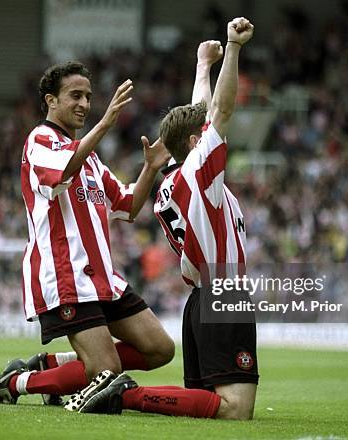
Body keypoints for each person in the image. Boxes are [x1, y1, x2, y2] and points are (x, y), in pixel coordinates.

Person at [68, 17, 258, 420]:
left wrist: (201, 65)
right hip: (223, 295)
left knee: (209, 409)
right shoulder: (200, 172)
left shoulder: (172, 180)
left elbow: (199, 113)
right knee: (235, 410)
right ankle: (124, 394)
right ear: (195, 144)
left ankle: (121, 393)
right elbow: (218, 110)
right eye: (203, 133)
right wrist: (233, 47)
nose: (210, 131)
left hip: (199, 301)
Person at [0, 61, 174, 404]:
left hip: (102, 279)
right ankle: (16, 384)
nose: (84, 103)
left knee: (160, 349)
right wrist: (104, 125)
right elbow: (63, 168)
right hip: (66, 276)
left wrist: (151, 167)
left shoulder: (92, 159)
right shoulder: (40, 140)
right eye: (75, 95)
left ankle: (51, 366)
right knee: (106, 373)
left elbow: (128, 206)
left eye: (88, 96)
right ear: (50, 101)